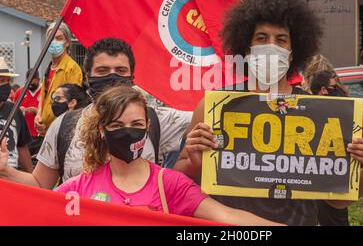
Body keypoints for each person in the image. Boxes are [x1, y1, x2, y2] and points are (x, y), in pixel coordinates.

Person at [174, 0, 363, 226]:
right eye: (262, 38)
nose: (271, 46)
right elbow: (178, 182)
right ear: (247, 48)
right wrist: (194, 161)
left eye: (281, 40)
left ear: (293, 52)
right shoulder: (214, 107)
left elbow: (338, 201)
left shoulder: (318, 111)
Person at [53, 85, 281, 225]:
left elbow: (229, 217)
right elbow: (34, 211)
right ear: (102, 130)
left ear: (148, 126)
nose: (128, 131)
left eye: (136, 124)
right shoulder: (77, 190)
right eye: (117, 125)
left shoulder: (170, 184)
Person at [0, 38, 191, 190]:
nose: (113, 76)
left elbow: (207, 115)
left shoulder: (156, 119)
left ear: (132, 77)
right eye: (103, 70)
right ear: (88, 77)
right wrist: (5, 170)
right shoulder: (65, 125)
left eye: (120, 70)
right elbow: (40, 184)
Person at [309, 69, 350, 226]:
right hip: (316, 180)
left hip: (336, 180)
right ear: (324, 90)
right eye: (335, 86)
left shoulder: (342, 110)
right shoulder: (308, 112)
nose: (339, 89)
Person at [34, 21, 83, 136]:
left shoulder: (72, 68)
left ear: (67, 42)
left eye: (59, 38)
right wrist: (38, 117)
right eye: (51, 38)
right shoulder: (48, 69)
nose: (54, 42)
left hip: (61, 131)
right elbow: (43, 100)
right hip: (45, 132)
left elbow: (74, 104)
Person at [0, 57, 33, 173]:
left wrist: (32, 180)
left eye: (6, 81)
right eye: (0, 81)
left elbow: (22, 146)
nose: (4, 85)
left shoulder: (15, 111)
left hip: (12, 177)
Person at [13, 69, 41, 166]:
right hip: (24, 135)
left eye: (32, 83)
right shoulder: (20, 92)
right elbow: (13, 111)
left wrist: (35, 110)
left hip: (39, 136)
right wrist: (20, 111)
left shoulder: (44, 92)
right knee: (24, 164)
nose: (30, 86)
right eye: (28, 82)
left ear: (38, 80)